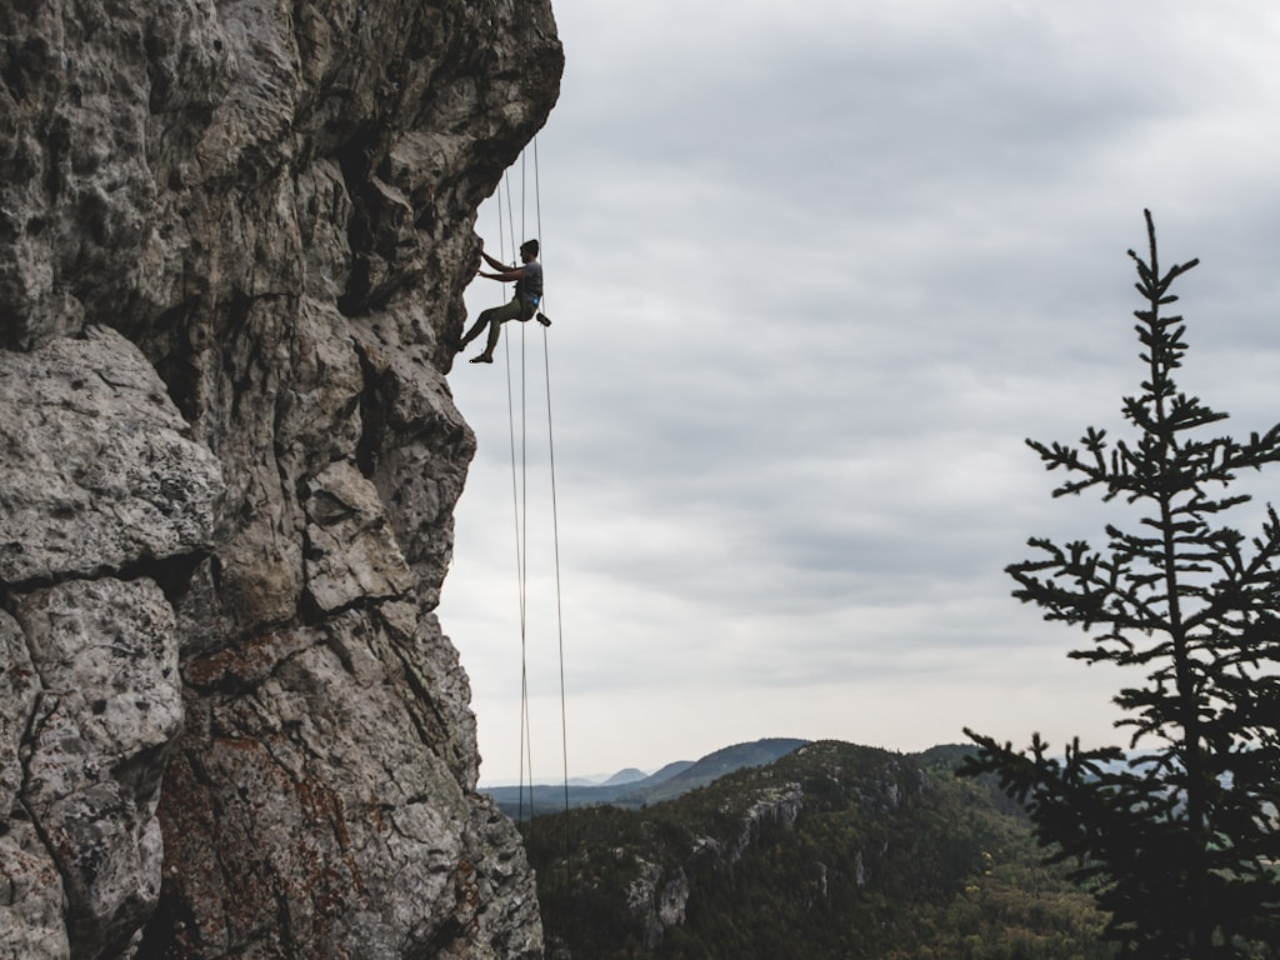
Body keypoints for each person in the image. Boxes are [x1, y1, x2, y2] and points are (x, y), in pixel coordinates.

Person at [458, 238, 549, 364]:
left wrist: (488, 276)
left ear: (529, 253)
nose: (520, 255)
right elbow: (501, 268)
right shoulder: (529, 267)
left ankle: (488, 354)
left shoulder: (533, 267)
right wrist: (482, 253)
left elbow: (508, 277)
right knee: (486, 315)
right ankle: (463, 342)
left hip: (526, 305)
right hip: (523, 303)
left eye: (522, 252)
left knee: (496, 317)